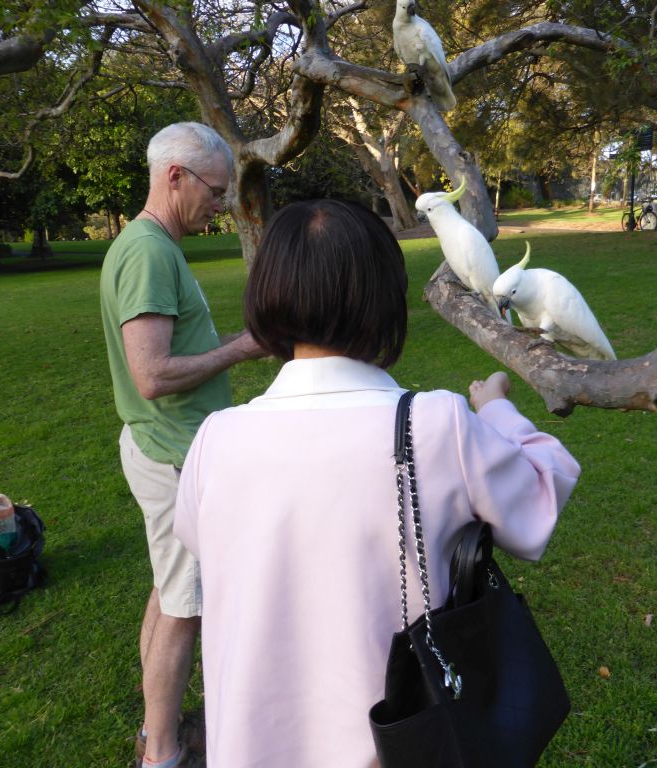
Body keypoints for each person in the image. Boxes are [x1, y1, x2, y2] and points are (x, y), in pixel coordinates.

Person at [173, 199, 581, 767]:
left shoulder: (216, 440)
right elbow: (544, 493)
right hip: (402, 740)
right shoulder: (436, 425)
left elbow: (202, 543)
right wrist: (496, 412)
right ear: (384, 297)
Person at [99, 121, 266, 768]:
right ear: (175, 177)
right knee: (184, 611)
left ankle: (152, 731)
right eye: (216, 191)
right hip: (171, 455)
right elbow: (152, 374)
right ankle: (162, 753)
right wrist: (245, 348)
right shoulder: (148, 252)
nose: (221, 204)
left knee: (168, 595)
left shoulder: (153, 245)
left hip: (167, 449)